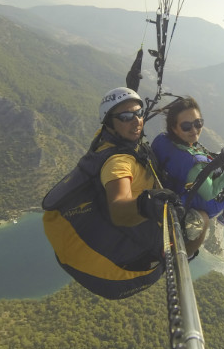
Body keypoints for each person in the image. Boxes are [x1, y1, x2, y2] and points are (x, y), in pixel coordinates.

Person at [42, 87, 183, 300]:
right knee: (200, 220)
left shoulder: (107, 139)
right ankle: (183, 256)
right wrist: (147, 204)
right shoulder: (118, 162)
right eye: (126, 117)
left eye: (139, 113)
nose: (136, 121)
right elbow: (118, 208)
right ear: (110, 123)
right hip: (129, 254)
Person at [152, 96, 224, 246]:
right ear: (174, 128)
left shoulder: (162, 139)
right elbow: (211, 193)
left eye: (198, 123)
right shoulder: (193, 165)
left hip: (175, 185)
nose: (194, 130)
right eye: (186, 126)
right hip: (200, 201)